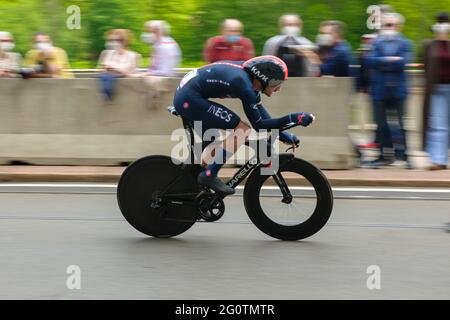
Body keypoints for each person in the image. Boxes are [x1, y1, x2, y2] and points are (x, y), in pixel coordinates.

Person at [173, 56, 315, 194]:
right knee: (242, 131)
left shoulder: (251, 79)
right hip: (189, 99)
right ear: (265, 78)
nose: (278, 88)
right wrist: (294, 117)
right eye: (276, 82)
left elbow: (261, 113)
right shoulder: (244, 85)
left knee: (214, 142)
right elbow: (259, 125)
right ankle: (209, 175)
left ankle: (197, 174)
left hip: (188, 93)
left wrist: (282, 134)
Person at [367, 13, 413, 168]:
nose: (388, 28)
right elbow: (371, 61)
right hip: (379, 89)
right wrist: (392, 60)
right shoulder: (376, 42)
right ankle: (383, 155)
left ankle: (404, 156)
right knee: (381, 125)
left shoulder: (405, 43)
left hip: (398, 89)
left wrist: (384, 61)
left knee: (400, 124)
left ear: (398, 26)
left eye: (391, 25)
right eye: (386, 24)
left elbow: (404, 62)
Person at [422, 12, 450, 170]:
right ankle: (438, 159)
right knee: (438, 124)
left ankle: (442, 158)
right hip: (437, 88)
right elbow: (426, 66)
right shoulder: (430, 45)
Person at [97, 29, 141, 101]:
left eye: (116, 40)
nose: (112, 42)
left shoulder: (132, 55)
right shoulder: (108, 53)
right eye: (110, 40)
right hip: (107, 80)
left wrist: (113, 68)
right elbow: (102, 69)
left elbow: (128, 72)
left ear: (123, 41)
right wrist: (107, 68)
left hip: (127, 90)